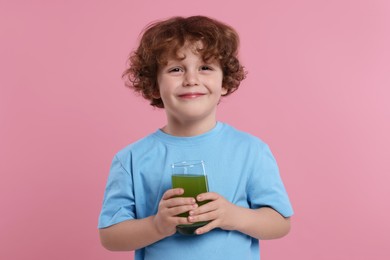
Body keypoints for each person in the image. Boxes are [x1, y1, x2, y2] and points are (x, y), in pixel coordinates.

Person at [98, 15, 293, 259]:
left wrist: (232, 216)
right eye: (176, 69)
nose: (191, 80)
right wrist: (157, 225)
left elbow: (280, 223)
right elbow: (110, 236)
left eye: (205, 67)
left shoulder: (251, 150)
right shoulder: (130, 159)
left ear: (224, 82)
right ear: (154, 85)